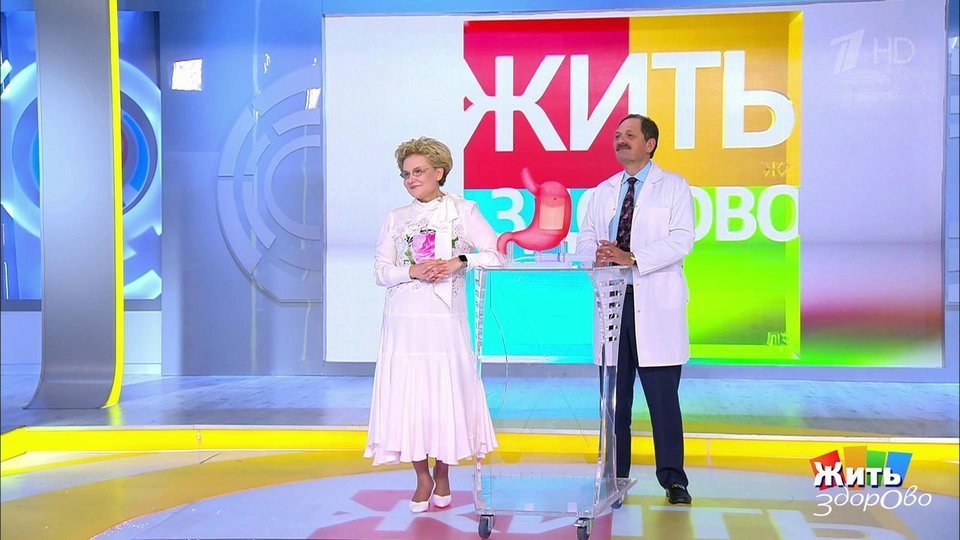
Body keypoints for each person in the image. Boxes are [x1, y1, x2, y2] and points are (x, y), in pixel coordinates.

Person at [364, 136, 504, 513]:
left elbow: (497, 254)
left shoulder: (462, 211)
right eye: (405, 174)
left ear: (439, 172)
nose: (411, 179)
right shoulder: (396, 218)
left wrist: (459, 261)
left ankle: (443, 472)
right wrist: (412, 270)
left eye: (419, 171)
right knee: (409, 396)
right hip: (404, 324)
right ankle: (421, 477)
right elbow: (380, 271)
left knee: (444, 394)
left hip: (444, 322)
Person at [576, 114, 695, 505]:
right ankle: (615, 478)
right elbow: (585, 240)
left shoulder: (673, 186)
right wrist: (596, 257)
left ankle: (674, 480)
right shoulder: (602, 191)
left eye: (629, 135)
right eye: (617, 135)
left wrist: (632, 257)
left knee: (663, 400)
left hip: (655, 301)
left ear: (650, 143)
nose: (620, 140)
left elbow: (682, 240)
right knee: (615, 401)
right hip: (613, 301)